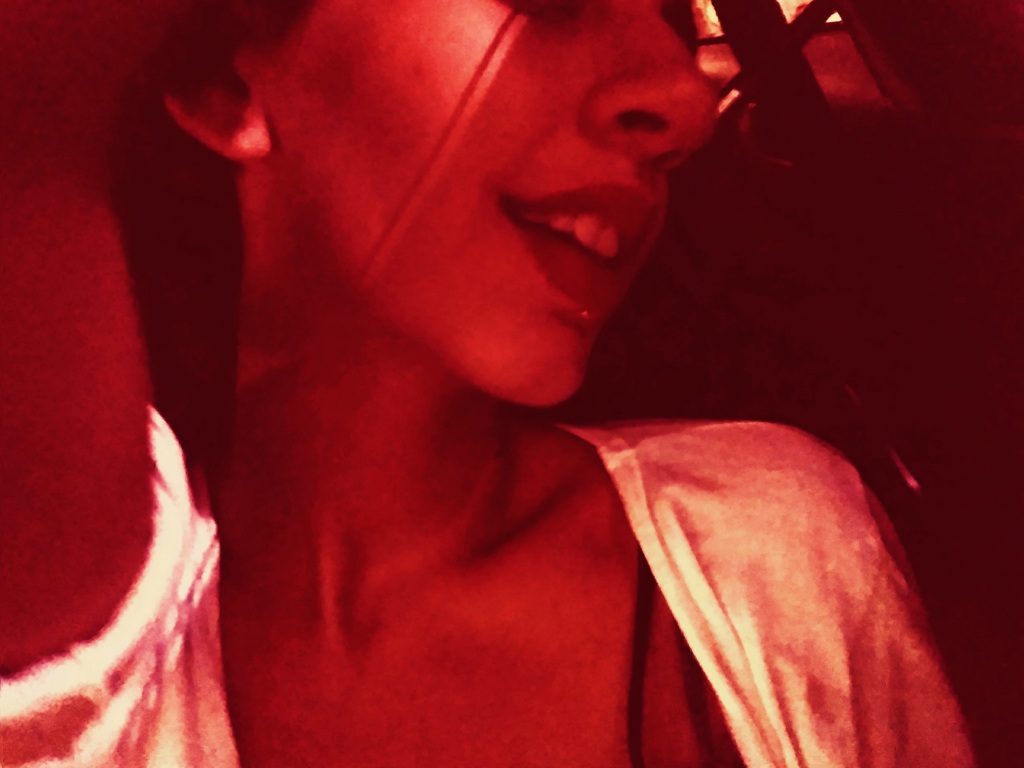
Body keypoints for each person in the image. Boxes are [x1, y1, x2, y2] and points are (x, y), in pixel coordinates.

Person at [0, 1, 975, 766]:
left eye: (675, 17)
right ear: (223, 82)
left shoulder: (768, 544)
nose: (684, 97)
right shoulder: (86, 639)